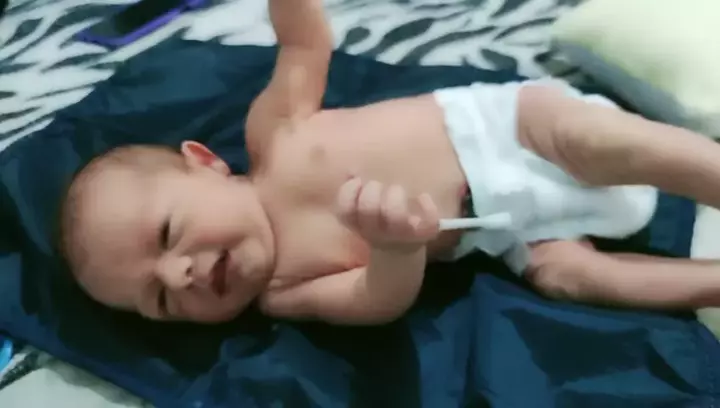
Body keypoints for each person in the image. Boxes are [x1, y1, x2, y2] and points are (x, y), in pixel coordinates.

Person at [58, 0, 720, 325]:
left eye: (168, 234)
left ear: (205, 162)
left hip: (511, 129)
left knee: (594, 141)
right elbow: (374, 301)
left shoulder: (275, 137)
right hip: (510, 231)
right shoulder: (284, 292)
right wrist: (394, 249)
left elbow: (304, 47)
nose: (180, 274)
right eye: (162, 301)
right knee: (566, 277)